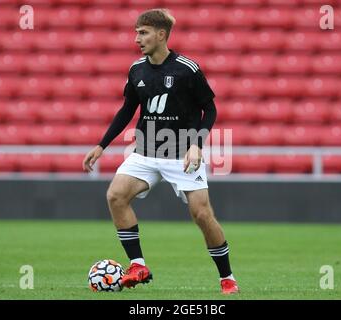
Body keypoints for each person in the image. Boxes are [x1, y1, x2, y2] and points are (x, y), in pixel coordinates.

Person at [82, 8, 239, 294]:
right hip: (145, 152)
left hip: (182, 153)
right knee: (116, 195)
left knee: (202, 215)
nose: (136, 39)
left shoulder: (186, 69)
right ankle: (138, 265)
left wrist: (196, 144)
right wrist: (101, 144)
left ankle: (227, 278)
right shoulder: (136, 69)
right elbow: (127, 109)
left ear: (161, 34)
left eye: (142, 33)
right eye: (136, 33)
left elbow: (210, 109)